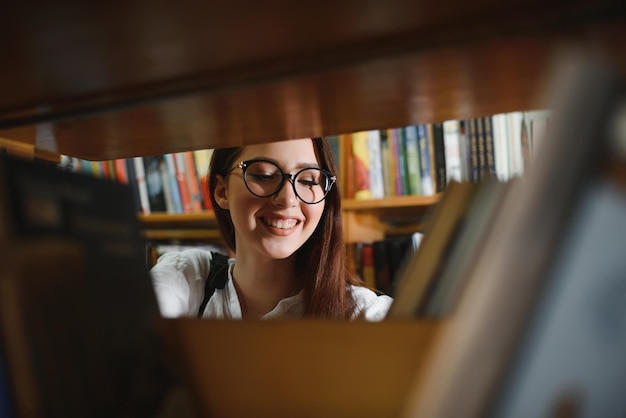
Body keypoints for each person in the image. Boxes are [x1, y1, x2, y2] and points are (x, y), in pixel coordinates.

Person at [150, 137, 392, 320]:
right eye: (264, 175)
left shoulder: (358, 312)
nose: (287, 199)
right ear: (222, 191)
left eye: (308, 180)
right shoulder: (190, 277)